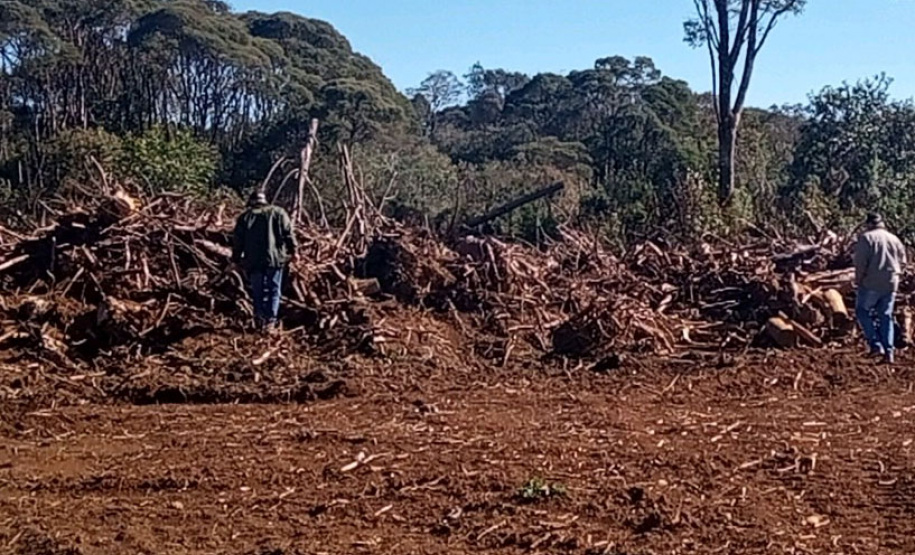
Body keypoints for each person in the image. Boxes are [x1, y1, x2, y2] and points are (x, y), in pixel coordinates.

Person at [232, 190, 297, 331]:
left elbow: (238, 241)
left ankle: (259, 320)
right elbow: (288, 234)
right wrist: (294, 252)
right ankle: (270, 322)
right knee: (274, 290)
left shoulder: (245, 217)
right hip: (274, 259)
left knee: (258, 291)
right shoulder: (279, 213)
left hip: (253, 261)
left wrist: (235, 260)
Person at [854, 213, 907, 364]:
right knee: (886, 316)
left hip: (871, 283)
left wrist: (859, 281)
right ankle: (889, 353)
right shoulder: (894, 239)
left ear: (869, 224)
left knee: (862, 311)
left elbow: (860, 263)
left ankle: (876, 345)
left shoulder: (866, 238)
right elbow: (903, 261)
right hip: (891, 282)